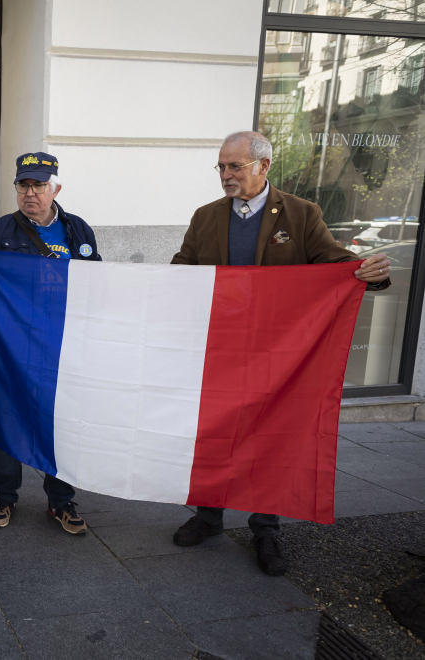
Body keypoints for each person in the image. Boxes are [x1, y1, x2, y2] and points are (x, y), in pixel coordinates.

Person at [171, 130, 391, 576]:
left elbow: (331, 261)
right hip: (221, 347)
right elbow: (185, 268)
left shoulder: (301, 212)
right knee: (214, 429)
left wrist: (368, 273)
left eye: (235, 166)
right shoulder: (206, 216)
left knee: (268, 435)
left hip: (276, 352)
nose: (226, 175)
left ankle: (265, 528)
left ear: (263, 166)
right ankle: (208, 515)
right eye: (221, 166)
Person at [0, 152, 100, 535]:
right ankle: (4, 497)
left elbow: (94, 284)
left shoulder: (77, 230)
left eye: (38, 185)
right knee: (9, 418)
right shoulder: (0, 232)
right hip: (11, 345)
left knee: (58, 424)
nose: (30, 193)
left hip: (60, 347)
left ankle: (61, 501)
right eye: (23, 185)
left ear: (55, 188)